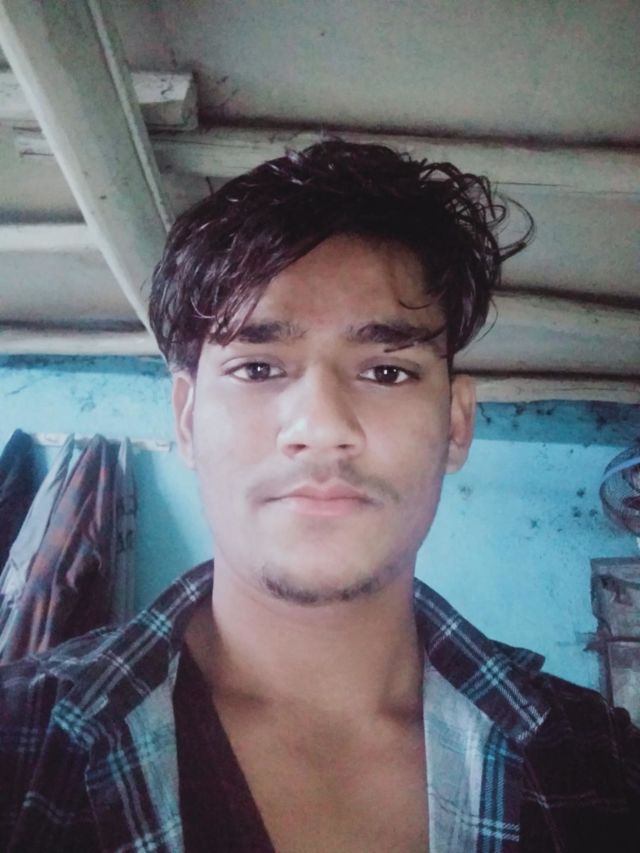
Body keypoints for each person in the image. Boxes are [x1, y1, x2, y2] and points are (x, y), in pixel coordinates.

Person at [1, 138, 638, 853]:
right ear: (186, 419)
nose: (323, 427)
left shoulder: (603, 767)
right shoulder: (18, 745)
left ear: (456, 424)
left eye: (387, 372)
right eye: (258, 367)